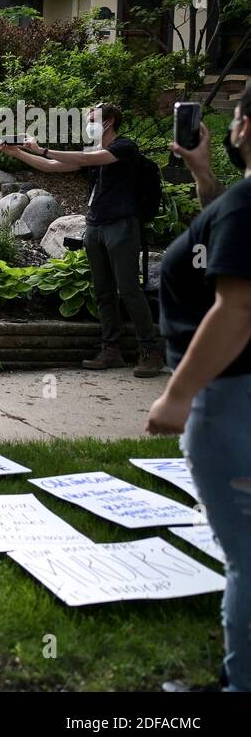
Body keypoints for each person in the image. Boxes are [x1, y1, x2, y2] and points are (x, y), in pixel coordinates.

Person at [147, 87, 251, 693]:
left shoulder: (248, 206)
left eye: (236, 115)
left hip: (232, 394)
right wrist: (204, 172)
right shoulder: (240, 203)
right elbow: (227, 238)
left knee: (246, 557)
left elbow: (237, 309)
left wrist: (180, 394)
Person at [0, 103, 163, 377]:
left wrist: (42, 148)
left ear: (109, 121)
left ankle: (150, 350)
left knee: (129, 289)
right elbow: (52, 167)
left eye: (93, 118)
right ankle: (111, 350)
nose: (88, 123)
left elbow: (85, 160)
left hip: (122, 226)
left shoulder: (124, 148)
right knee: (103, 290)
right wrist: (18, 153)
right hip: (95, 226)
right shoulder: (92, 152)